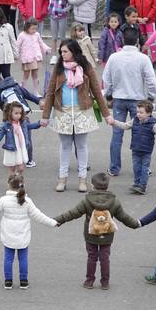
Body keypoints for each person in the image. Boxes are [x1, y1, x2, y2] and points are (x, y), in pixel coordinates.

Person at [40, 39, 110, 194]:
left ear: (74, 51)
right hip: (62, 112)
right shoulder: (58, 69)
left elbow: (97, 92)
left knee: (82, 146)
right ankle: (62, 178)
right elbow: (50, 92)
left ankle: (82, 179)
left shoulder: (86, 68)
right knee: (65, 146)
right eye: (61, 52)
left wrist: (107, 115)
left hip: (82, 112)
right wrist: (45, 116)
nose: (62, 54)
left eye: (65, 51)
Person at [54, 172, 140, 290]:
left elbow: (73, 213)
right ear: (107, 186)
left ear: (92, 185)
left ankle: (89, 281)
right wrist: (136, 224)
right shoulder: (114, 201)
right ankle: (105, 282)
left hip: (91, 233)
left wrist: (57, 220)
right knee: (105, 258)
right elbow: (124, 217)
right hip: (107, 234)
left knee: (92, 256)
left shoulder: (87, 200)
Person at [0, 176, 56, 289]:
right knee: (23, 258)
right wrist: (53, 223)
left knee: (8, 258)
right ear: (22, 185)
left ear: (9, 185)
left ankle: (8, 281)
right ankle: (23, 281)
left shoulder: (4, 200)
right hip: (23, 234)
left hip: (8, 234)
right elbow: (39, 216)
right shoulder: (27, 201)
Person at [103, 26, 156, 179]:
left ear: (122, 39)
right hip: (138, 100)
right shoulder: (143, 58)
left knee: (117, 134)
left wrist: (108, 95)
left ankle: (114, 168)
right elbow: (151, 80)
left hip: (119, 98)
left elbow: (106, 79)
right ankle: (144, 167)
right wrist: (151, 97)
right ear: (137, 41)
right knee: (143, 134)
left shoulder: (114, 57)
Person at [110, 100, 156, 196]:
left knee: (144, 168)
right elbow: (125, 126)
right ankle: (137, 184)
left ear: (149, 113)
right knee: (136, 167)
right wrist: (114, 122)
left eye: (141, 112)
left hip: (146, 150)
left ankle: (142, 185)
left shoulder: (153, 124)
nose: (138, 114)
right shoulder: (135, 120)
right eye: (137, 112)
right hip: (135, 149)